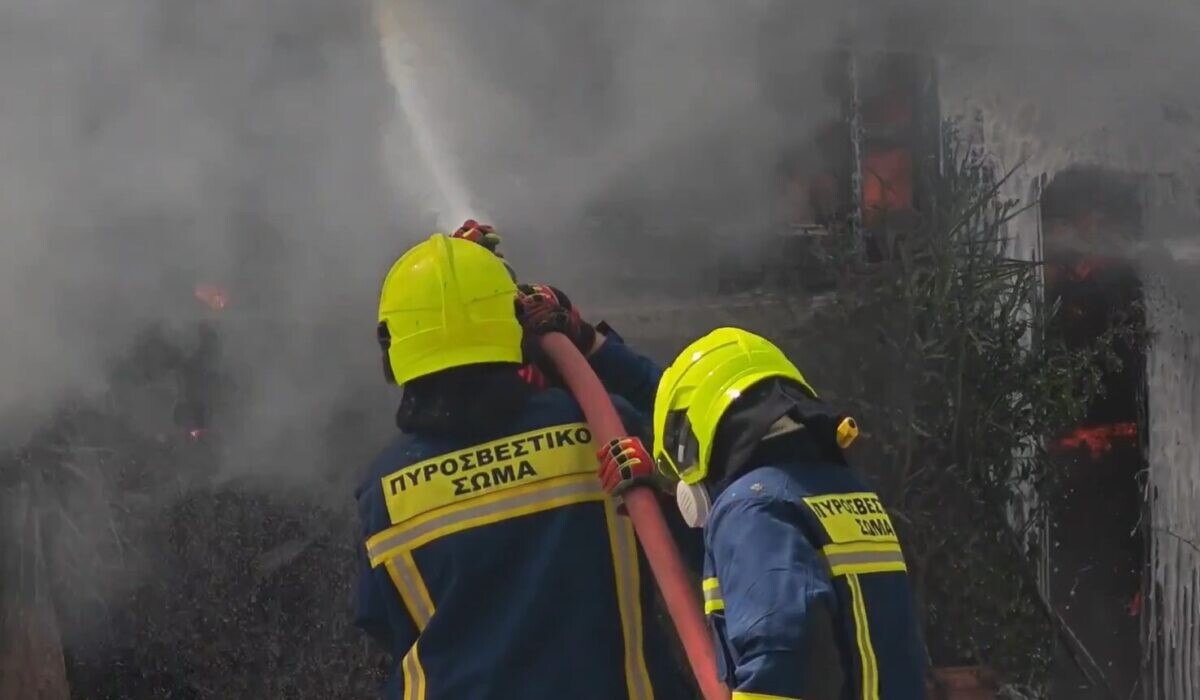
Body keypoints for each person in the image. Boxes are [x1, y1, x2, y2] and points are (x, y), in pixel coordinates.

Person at [353, 232, 692, 700]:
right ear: (515, 328)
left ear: (392, 348)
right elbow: (692, 428)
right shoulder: (605, 427)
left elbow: (382, 624)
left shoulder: (384, 491)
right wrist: (587, 343)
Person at [586, 326, 929, 700]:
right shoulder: (844, 490)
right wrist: (663, 507)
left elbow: (778, 642)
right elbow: (759, 582)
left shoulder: (753, 505)